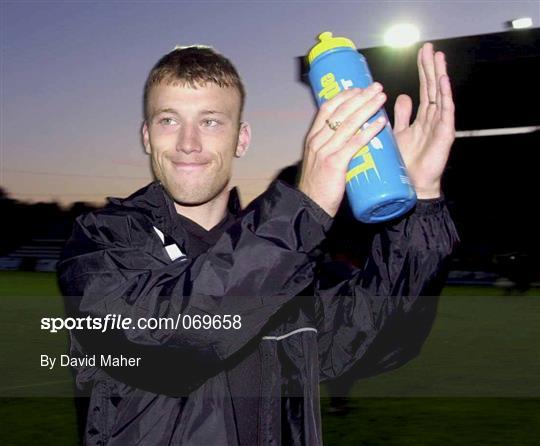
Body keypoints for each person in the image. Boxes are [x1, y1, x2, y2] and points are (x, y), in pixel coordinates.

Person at [57, 42, 459, 446]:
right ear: (147, 136)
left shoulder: (285, 263)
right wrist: (305, 208)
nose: (188, 143)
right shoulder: (101, 243)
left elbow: (374, 342)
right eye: (168, 120)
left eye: (211, 122)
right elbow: (172, 341)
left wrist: (420, 203)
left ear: (242, 138)